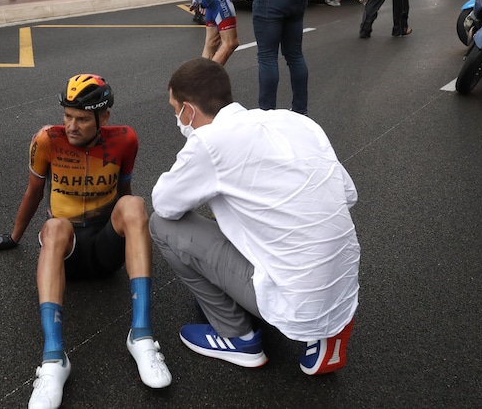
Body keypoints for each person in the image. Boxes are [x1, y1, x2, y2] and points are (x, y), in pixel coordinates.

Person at [150, 57, 360, 377]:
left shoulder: (209, 142)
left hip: (292, 295)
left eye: (174, 108)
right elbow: (349, 194)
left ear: (188, 110)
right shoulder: (294, 121)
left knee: (161, 225)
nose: (176, 117)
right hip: (340, 288)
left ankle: (238, 338)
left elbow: (165, 205)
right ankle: (322, 328)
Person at [0, 74, 172, 409]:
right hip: (69, 252)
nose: (71, 126)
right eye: (67, 116)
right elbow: (34, 193)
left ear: (104, 117)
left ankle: (141, 335)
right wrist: (14, 236)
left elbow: (125, 195)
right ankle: (54, 359)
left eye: (82, 119)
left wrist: (134, 232)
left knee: (135, 204)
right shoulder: (47, 140)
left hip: (106, 249)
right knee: (53, 227)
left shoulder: (125, 140)